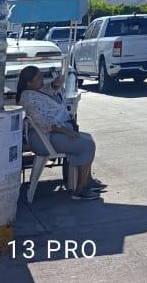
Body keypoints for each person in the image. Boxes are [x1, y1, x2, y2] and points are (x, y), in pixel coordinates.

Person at [15, 65, 105, 200]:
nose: (42, 80)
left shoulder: (33, 92)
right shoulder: (28, 98)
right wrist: (64, 131)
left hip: (47, 135)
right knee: (87, 145)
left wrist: (55, 84)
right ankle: (80, 189)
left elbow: (47, 90)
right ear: (29, 82)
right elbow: (42, 122)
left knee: (88, 139)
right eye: (39, 78)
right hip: (44, 138)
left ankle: (87, 180)